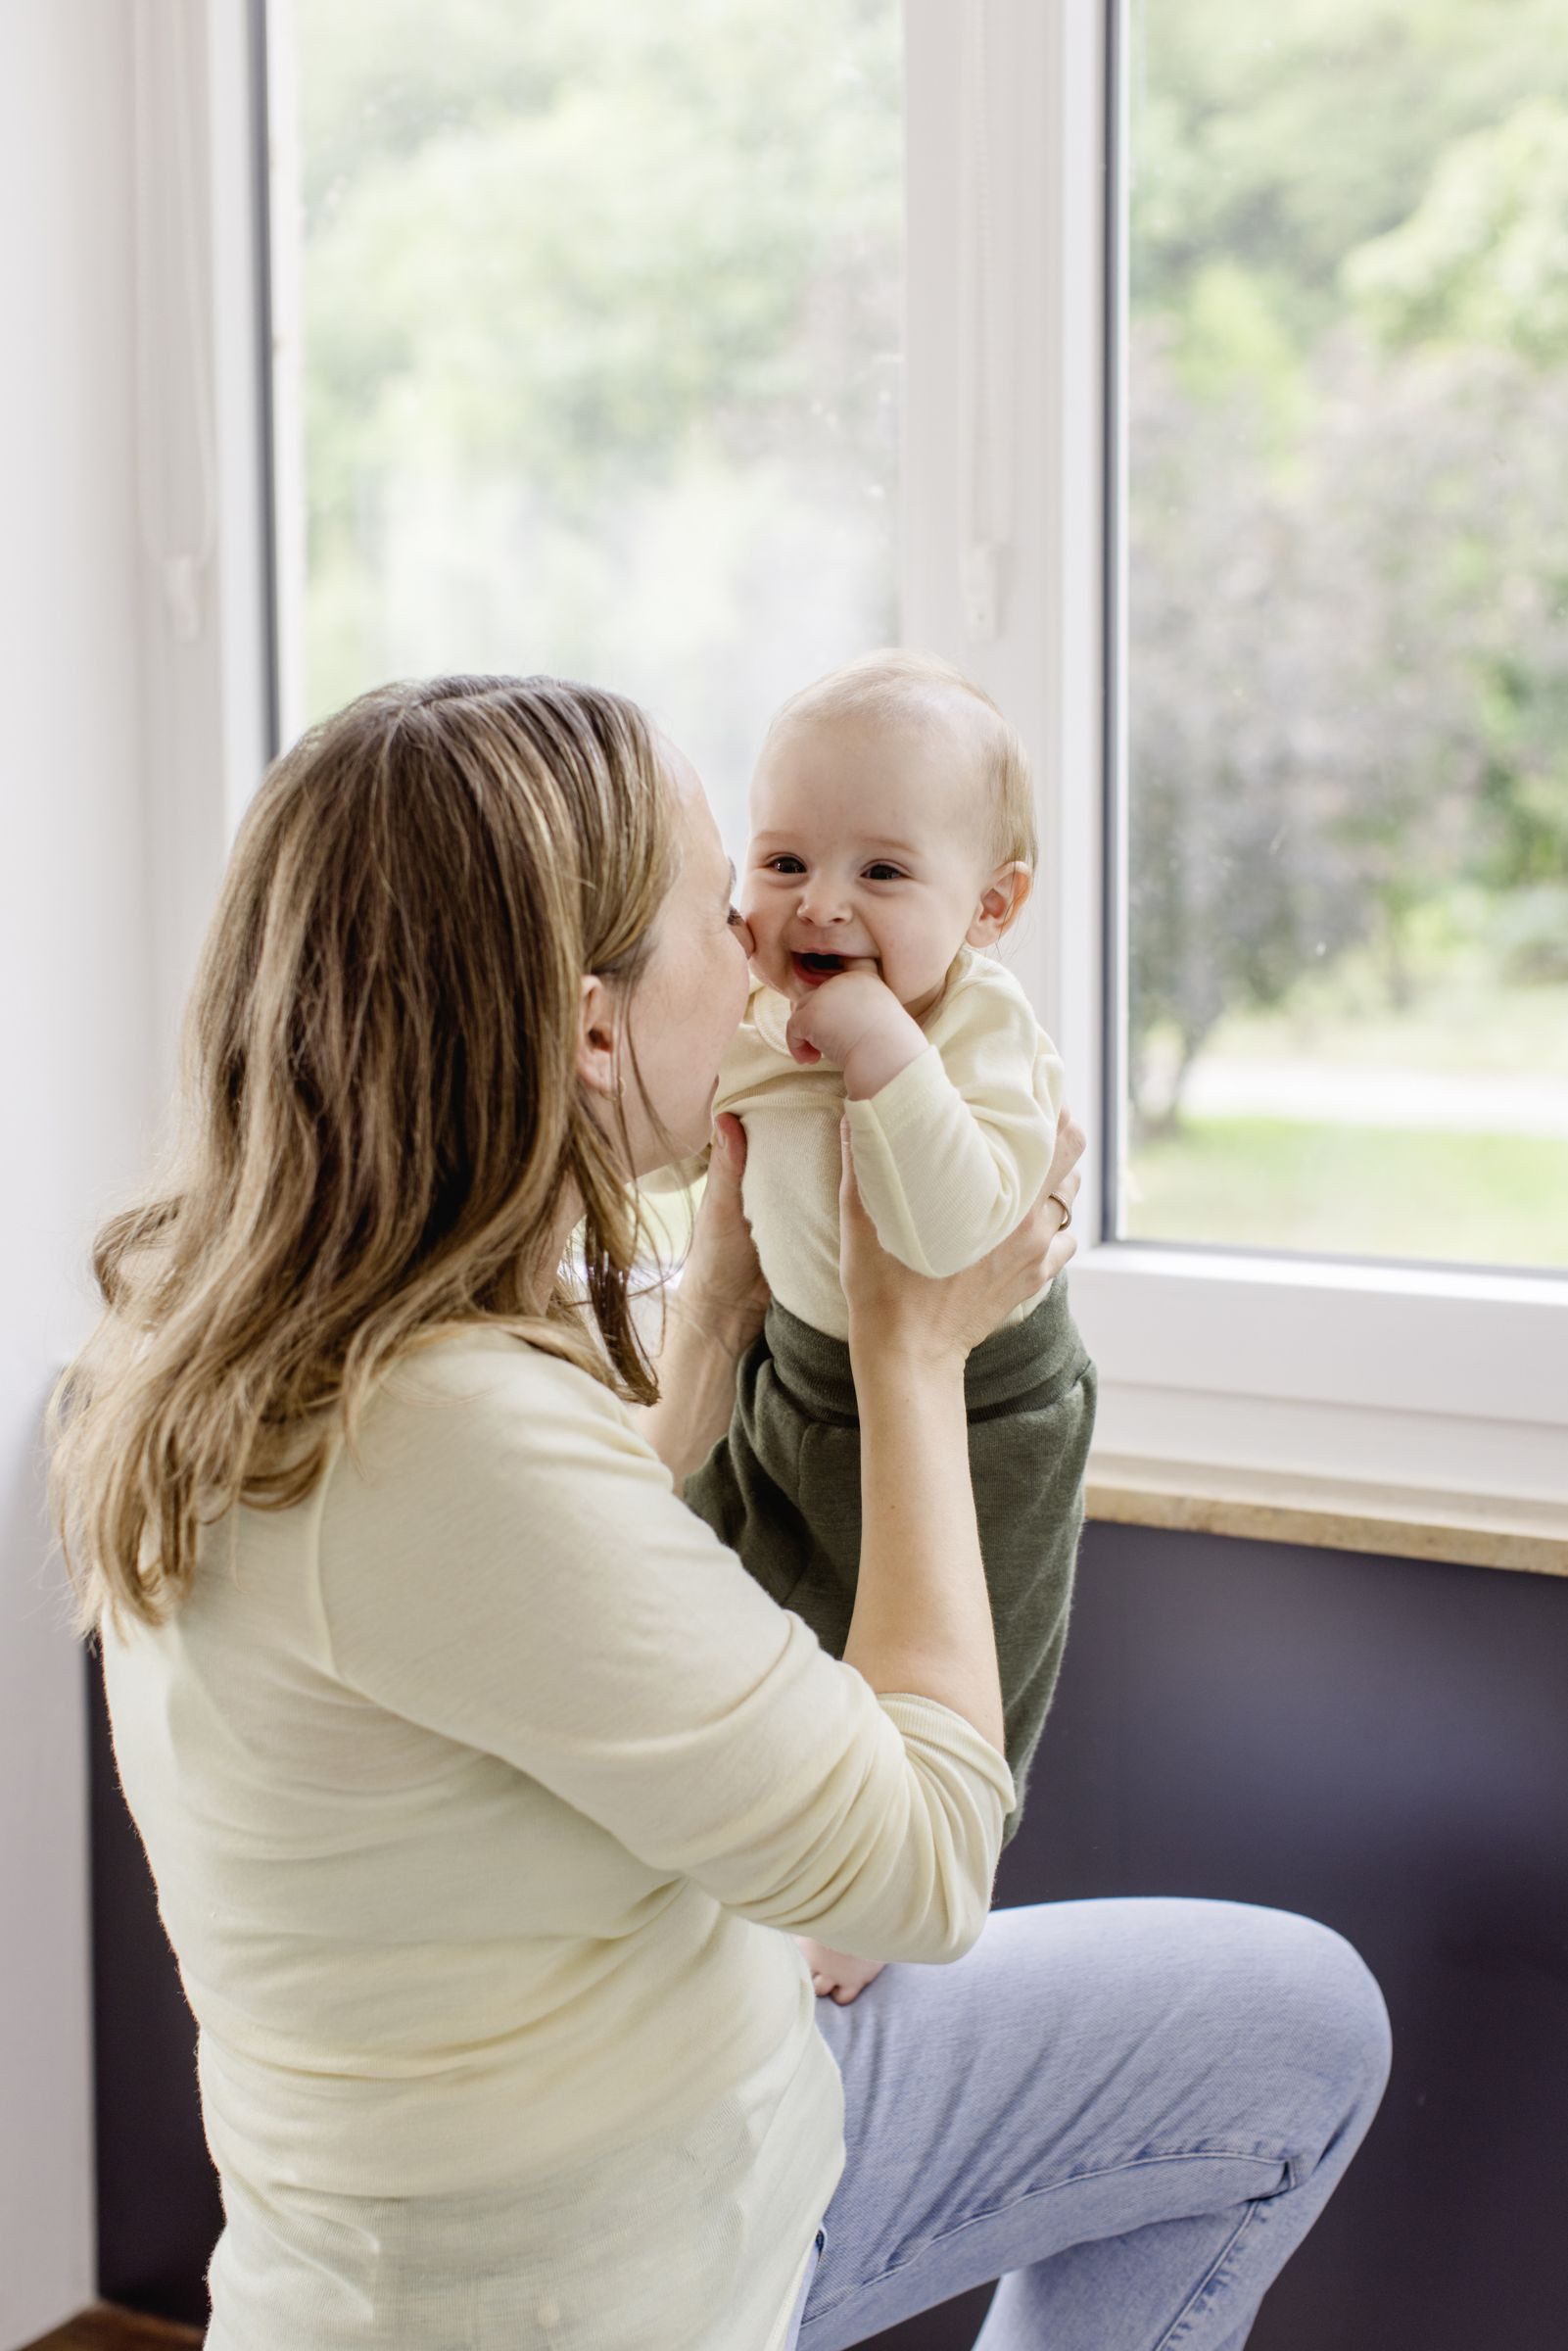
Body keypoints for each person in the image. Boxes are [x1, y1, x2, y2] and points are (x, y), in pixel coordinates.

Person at [51, 675, 1389, 2351]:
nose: (766, 946)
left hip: (459, 2205)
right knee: (1305, 2030)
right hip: (630, 2257)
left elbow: (558, 1590)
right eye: (720, 904)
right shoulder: (440, 1440)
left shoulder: (242, 1337)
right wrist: (912, 1351)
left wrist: (713, 1320)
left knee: (1282, 2018)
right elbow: (922, 1866)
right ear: (594, 1024)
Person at [677, 649, 1097, 2007]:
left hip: (976, 1406)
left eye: (882, 872)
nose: (821, 904)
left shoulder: (977, 1035)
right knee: (754, 1611)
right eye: (785, 860)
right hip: (793, 1366)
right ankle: (754, 1869)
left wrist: (878, 1052)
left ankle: (863, 1918)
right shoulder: (771, 1005)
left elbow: (951, 1233)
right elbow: (693, 1122)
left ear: (990, 908)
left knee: (955, 1653)